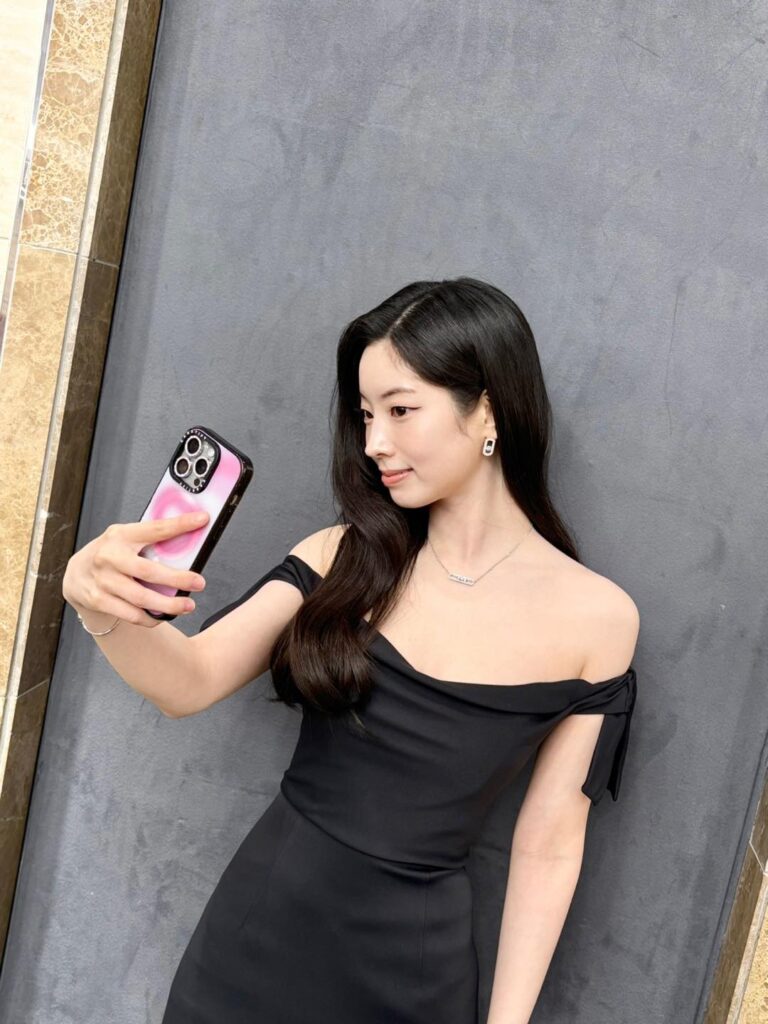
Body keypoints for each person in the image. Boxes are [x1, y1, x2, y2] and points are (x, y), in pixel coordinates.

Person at [63, 276, 639, 1024]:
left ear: (488, 408)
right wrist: (96, 605)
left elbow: (550, 842)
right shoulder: (341, 556)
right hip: (252, 950)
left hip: (413, 980)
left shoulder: (599, 620)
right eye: (366, 415)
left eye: (400, 410)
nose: (374, 444)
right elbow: (189, 681)